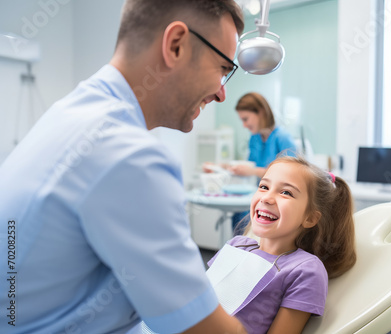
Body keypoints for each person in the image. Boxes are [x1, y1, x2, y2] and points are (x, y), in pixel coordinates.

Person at [0, 1, 248, 333]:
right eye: (222, 67)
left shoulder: (72, 113)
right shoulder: (126, 155)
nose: (221, 93)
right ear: (176, 45)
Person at [206, 156, 357, 334]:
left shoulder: (304, 269)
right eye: (263, 187)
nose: (267, 198)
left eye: (286, 192)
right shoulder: (237, 245)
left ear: (310, 218)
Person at [205, 92, 297, 232]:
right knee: (240, 217)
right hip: (258, 196)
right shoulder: (255, 138)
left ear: (260, 112)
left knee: (247, 219)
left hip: (277, 201)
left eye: (246, 119)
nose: (244, 125)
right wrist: (219, 167)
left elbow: (291, 174)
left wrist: (252, 171)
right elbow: (249, 166)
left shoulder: (282, 138)